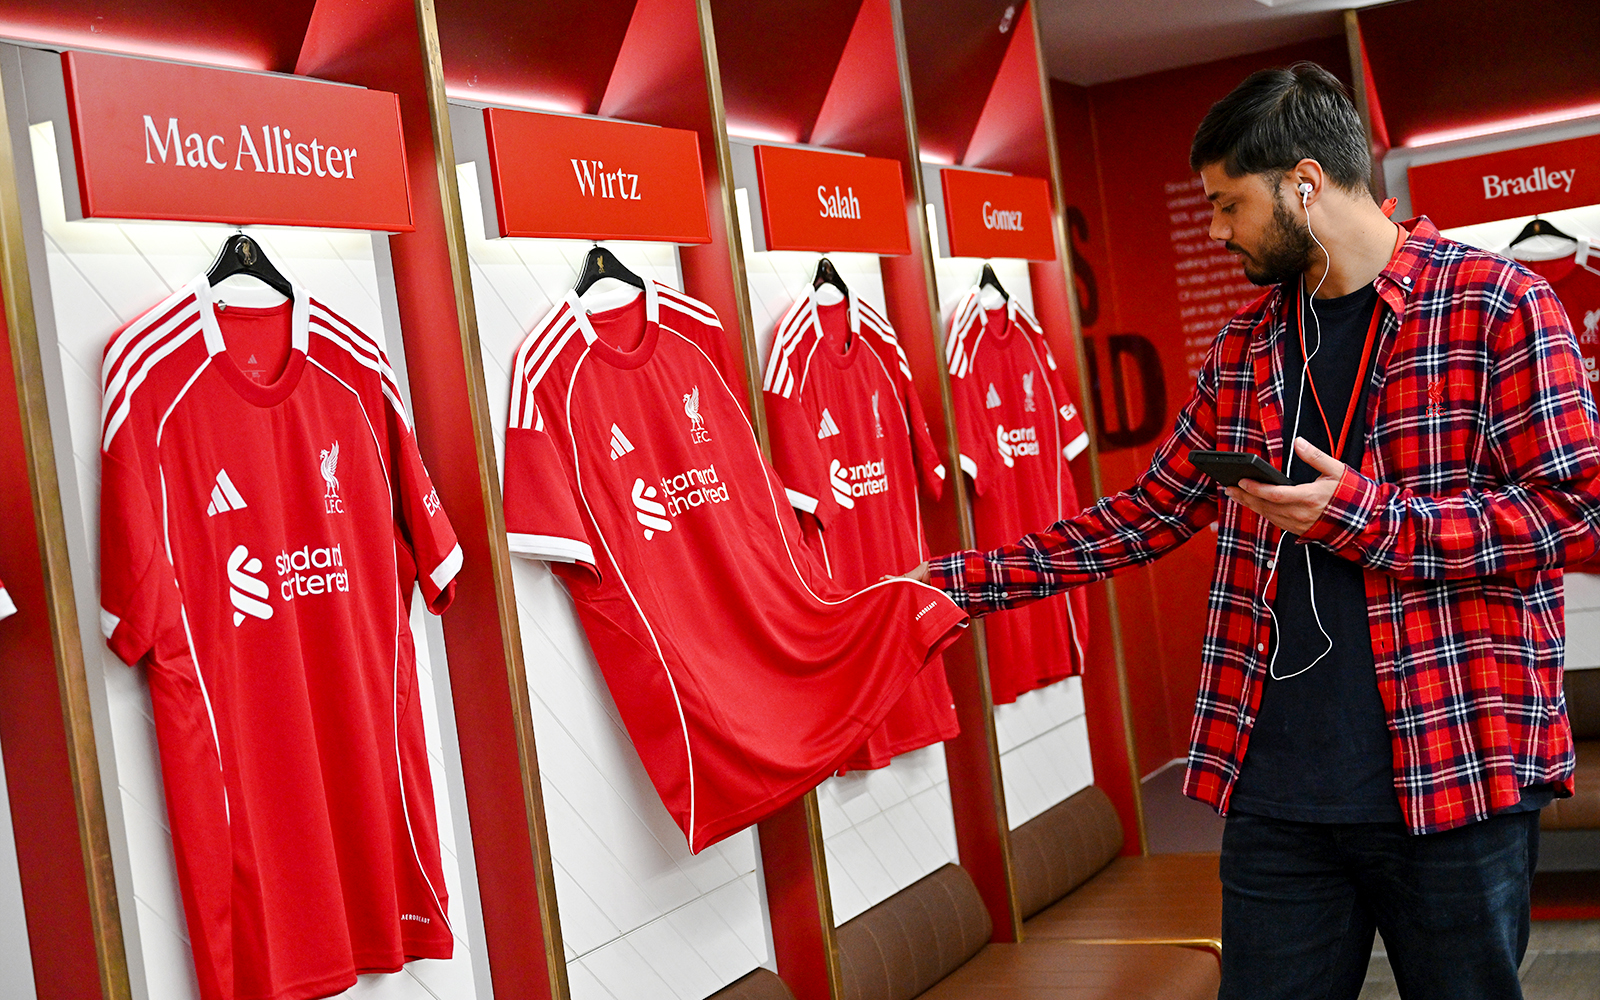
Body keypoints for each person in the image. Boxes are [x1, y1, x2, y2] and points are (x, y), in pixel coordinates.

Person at [906, 62, 1598, 999]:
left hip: (1455, 765)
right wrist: (958, 581)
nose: (1220, 231)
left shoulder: (1500, 306)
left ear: (1303, 185)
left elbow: (1571, 510)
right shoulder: (1247, 347)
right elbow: (1151, 510)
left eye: (1229, 206)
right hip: (1278, 788)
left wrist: (1361, 517)